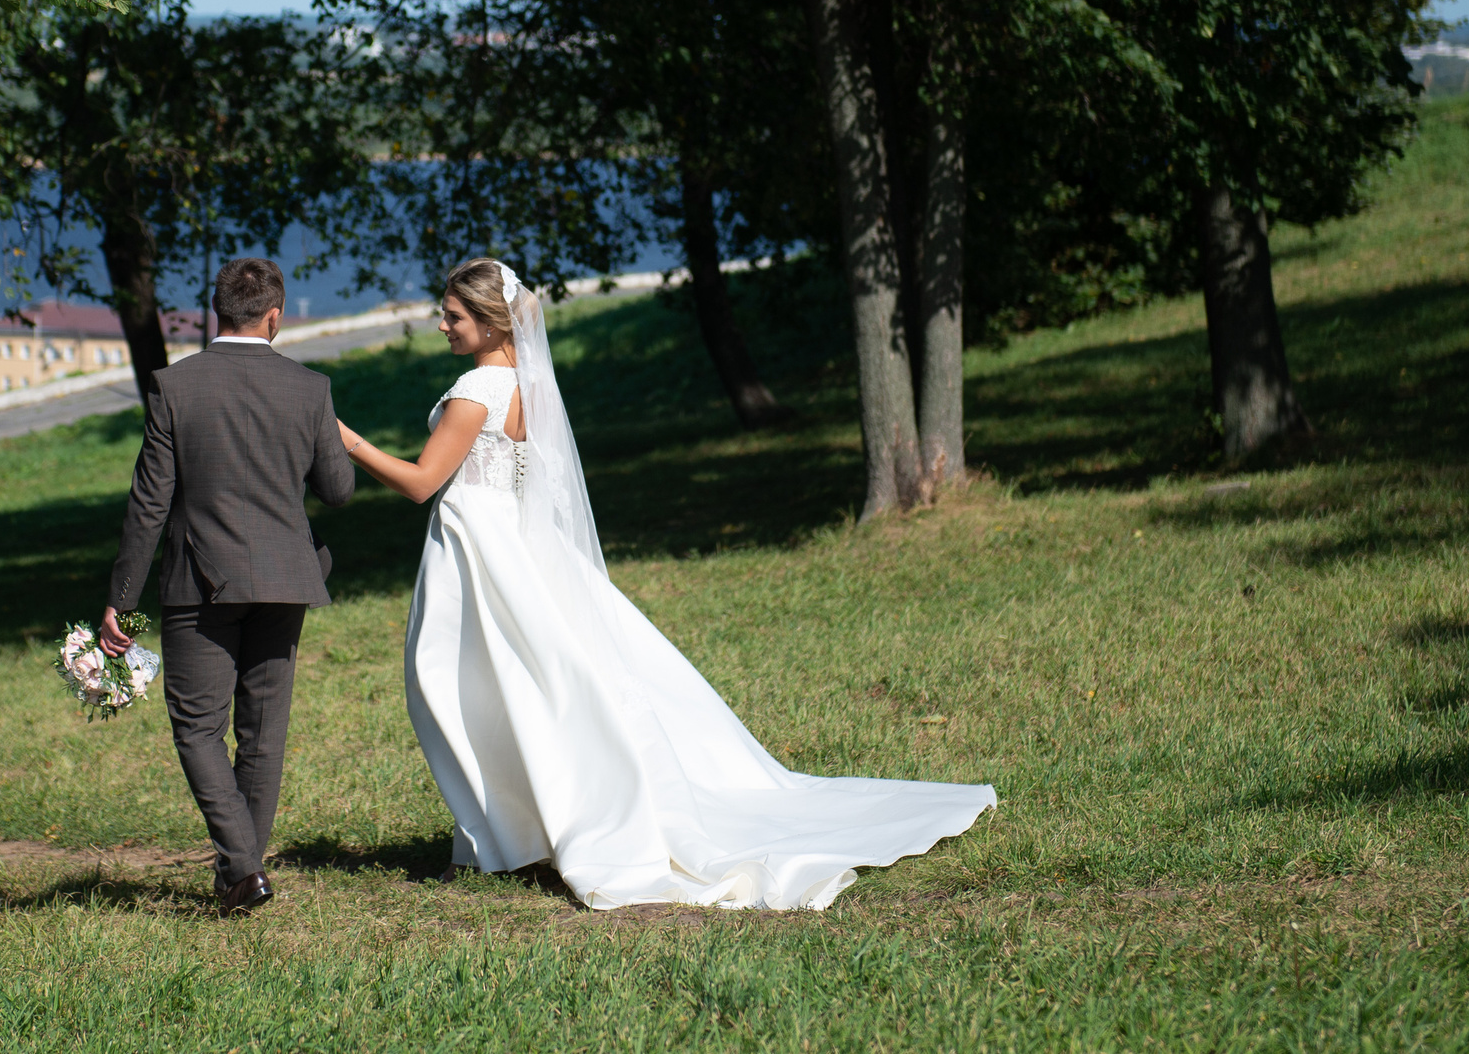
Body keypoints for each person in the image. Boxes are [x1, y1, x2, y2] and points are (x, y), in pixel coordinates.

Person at [335, 257, 996, 910]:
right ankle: (507, 832)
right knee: (520, 684)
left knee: (467, 686)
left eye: (451, 316)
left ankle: (506, 833)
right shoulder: (525, 385)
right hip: (508, 538)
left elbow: (423, 481)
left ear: (487, 322)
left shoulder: (475, 391)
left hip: (478, 543)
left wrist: (344, 439)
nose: (440, 325)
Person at [98, 257, 355, 916]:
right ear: (276, 314)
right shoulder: (310, 387)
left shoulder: (175, 386)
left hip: (199, 581)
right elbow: (338, 491)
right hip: (285, 576)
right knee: (264, 730)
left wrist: (120, 598)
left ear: (216, 311)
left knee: (198, 727)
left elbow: (148, 504)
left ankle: (242, 869)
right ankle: (241, 873)